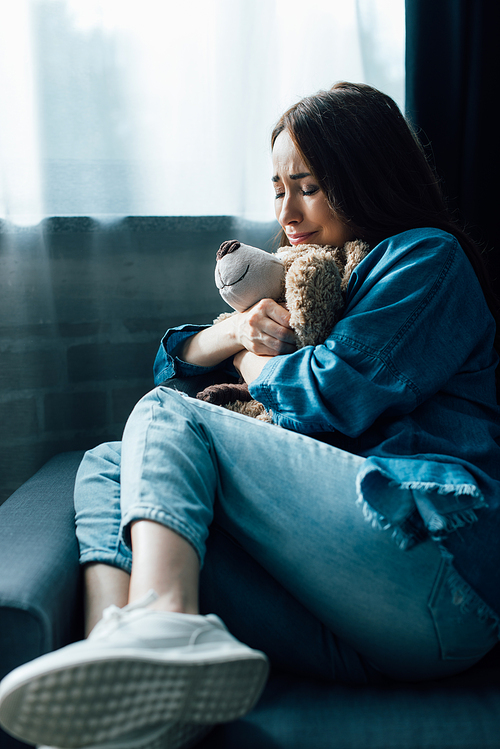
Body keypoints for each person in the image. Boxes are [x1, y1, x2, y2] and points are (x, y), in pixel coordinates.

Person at [1, 81, 500, 749]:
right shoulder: (307, 269)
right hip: (354, 621)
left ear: (366, 177)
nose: (287, 211)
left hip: (436, 577)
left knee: (167, 416)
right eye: (277, 187)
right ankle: (116, 674)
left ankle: (164, 624)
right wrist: (233, 336)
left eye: (310, 185)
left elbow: (328, 398)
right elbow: (178, 367)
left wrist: (257, 365)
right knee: (112, 463)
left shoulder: (424, 258)